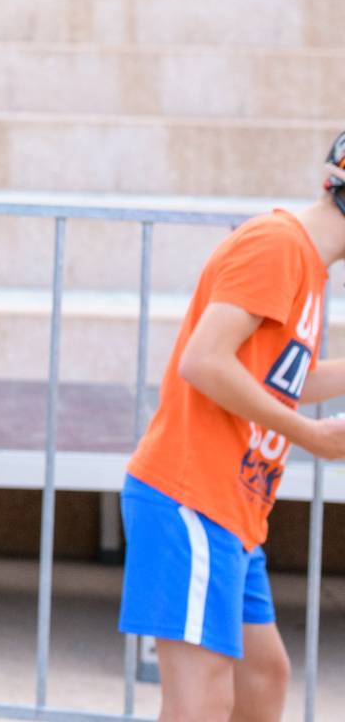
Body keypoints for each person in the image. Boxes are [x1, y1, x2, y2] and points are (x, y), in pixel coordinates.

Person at [118, 132, 345, 721]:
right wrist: (310, 436)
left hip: (232, 511)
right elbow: (205, 362)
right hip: (190, 498)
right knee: (201, 704)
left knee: (262, 680)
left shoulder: (307, 266)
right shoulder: (278, 246)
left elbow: (280, 378)